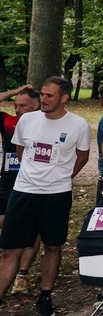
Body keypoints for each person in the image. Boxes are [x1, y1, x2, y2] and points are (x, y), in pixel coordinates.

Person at [0, 77, 90, 316]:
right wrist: (32, 175)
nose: (44, 99)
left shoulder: (78, 125)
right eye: (42, 94)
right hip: (23, 191)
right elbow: (21, 151)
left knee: (52, 246)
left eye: (50, 95)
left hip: (56, 195)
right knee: (9, 250)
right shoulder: (27, 120)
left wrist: (62, 177)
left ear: (64, 98)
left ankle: (45, 298)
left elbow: (82, 157)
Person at [0, 86, 41, 295]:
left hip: (32, 185)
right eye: (15, 105)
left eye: (23, 106)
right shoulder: (8, 121)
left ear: (36, 106)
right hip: (7, 185)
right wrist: (16, 91)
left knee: (32, 229)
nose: (17, 109)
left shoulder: (44, 124)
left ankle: (21, 276)